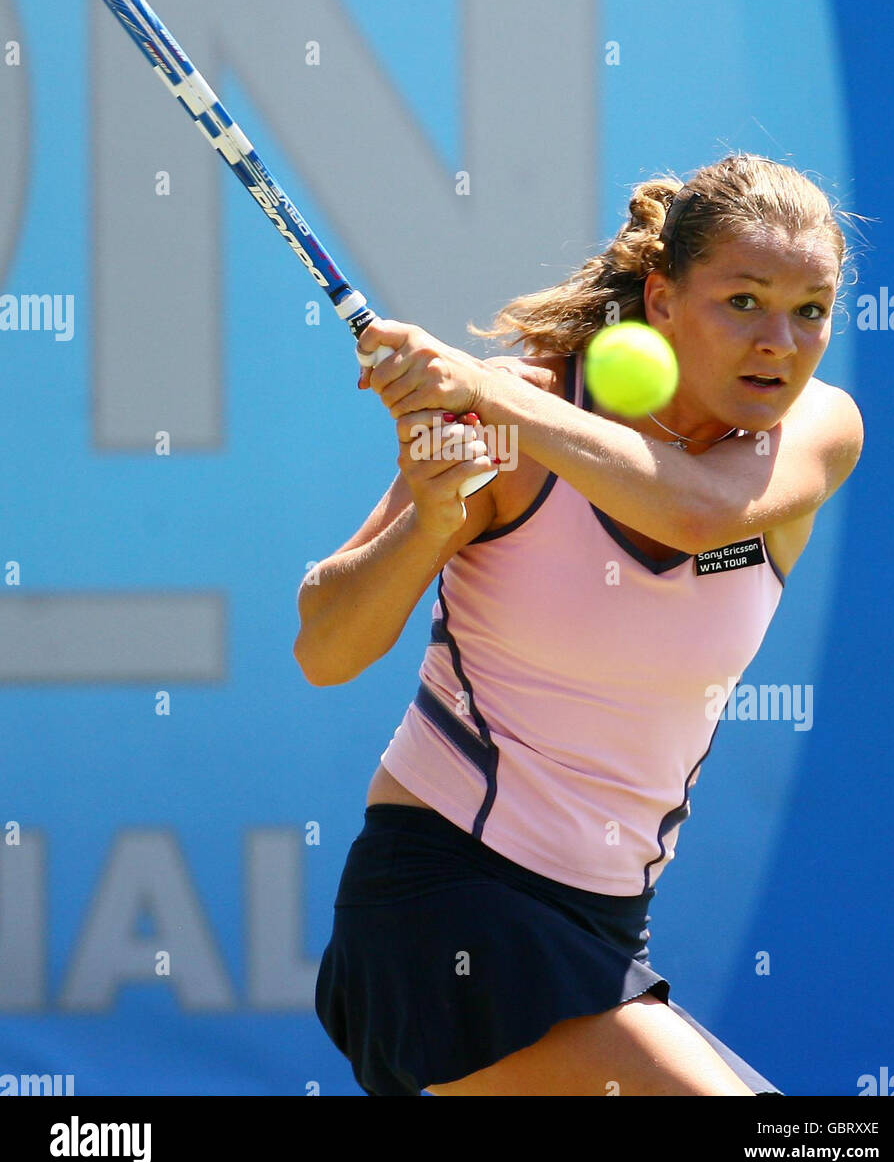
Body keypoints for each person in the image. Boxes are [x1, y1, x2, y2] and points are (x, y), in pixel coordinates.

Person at [295, 153, 864, 1096]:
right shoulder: (516, 433)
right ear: (662, 299)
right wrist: (432, 521)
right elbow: (324, 646)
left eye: (810, 310)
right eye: (743, 301)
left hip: (605, 929)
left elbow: (694, 512)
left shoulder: (813, 432)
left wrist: (490, 393)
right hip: (444, 905)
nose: (780, 341)